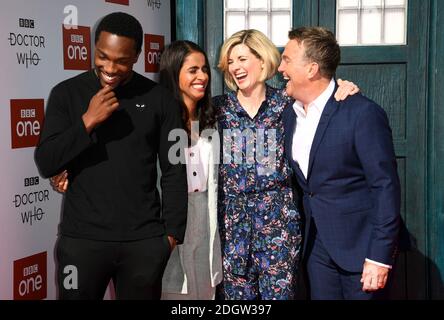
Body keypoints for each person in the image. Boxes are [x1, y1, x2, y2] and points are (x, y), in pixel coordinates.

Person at [35, 12, 187, 300]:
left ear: (137, 56)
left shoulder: (160, 100)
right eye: (103, 56)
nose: (110, 67)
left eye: (121, 60)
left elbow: (174, 169)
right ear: (94, 47)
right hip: (81, 242)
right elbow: (47, 161)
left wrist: (170, 236)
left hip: (143, 244)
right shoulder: (66, 94)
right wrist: (87, 121)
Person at [213, 29, 359, 300]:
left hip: (279, 225)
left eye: (242, 59)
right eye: (230, 62)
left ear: (262, 60)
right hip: (232, 226)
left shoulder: (288, 104)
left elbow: (323, 98)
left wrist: (344, 88)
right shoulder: (217, 109)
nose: (235, 67)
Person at [279, 27, 401, 300]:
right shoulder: (289, 114)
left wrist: (379, 257)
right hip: (315, 251)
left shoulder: (362, 113)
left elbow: (385, 187)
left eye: (286, 59)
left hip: (362, 252)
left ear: (311, 69)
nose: (280, 67)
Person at [159, 40, 223, 300]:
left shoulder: (214, 119)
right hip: (170, 223)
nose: (202, 77)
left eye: (205, 69)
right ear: (174, 74)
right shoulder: (158, 119)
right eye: (193, 70)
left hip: (205, 223)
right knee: (173, 291)